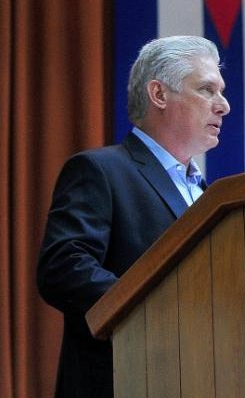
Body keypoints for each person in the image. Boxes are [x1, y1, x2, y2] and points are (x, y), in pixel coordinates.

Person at [37, 35, 230, 398]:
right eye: (207, 89)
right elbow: (64, 267)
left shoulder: (210, 197)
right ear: (159, 94)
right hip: (120, 381)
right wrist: (160, 310)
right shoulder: (101, 170)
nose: (224, 106)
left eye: (221, 92)